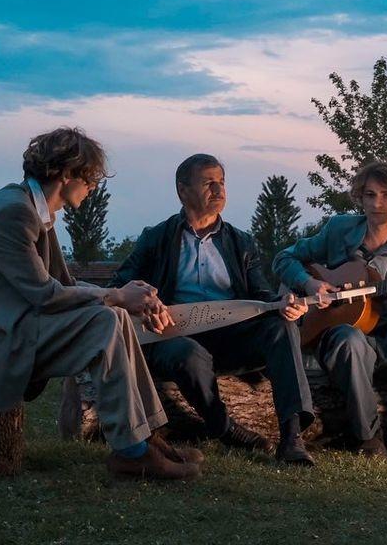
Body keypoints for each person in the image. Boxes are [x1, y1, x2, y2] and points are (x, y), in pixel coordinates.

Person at [0, 127, 201, 480]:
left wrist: (126, 295)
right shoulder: (13, 213)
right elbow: (45, 294)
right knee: (105, 322)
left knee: (114, 315)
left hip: (4, 324)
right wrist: (117, 295)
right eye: (90, 178)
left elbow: (63, 286)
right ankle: (131, 452)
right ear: (66, 174)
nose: (93, 187)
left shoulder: (32, 209)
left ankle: (145, 437)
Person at [110, 154, 316, 465]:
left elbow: (260, 294)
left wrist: (282, 305)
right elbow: (121, 285)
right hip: (174, 335)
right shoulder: (156, 238)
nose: (218, 190)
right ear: (183, 190)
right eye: (208, 183)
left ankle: (292, 438)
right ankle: (225, 428)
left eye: (221, 182)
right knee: (187, 353)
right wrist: (144, 299)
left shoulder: (241, 242)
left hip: (231, 336)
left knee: (281, 327)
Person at [273, 161, 387, 464]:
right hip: (345, 342)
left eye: (386, 195)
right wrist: (310, 283)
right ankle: (368, 437)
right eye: (369, 195)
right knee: (348, 338)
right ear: (360, 197)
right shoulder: (339, 230)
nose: (377, 204)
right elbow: (284, 258)